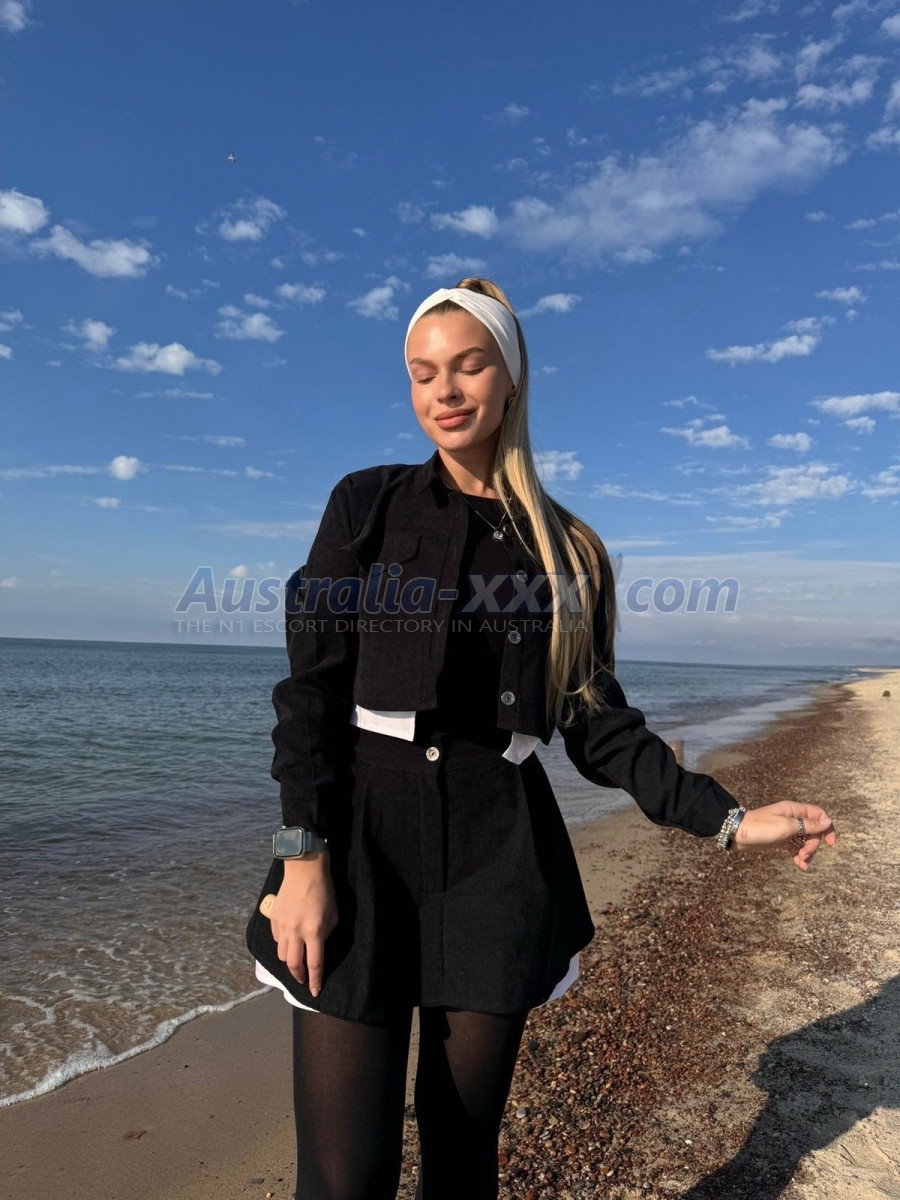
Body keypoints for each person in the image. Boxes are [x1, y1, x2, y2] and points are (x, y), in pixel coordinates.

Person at [245, 277, 837, 1200]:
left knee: (461, 1164)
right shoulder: (365, 504)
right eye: (422, 373)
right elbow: (310, 691)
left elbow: (599, 724)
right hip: (357, 849)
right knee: (342, 1177)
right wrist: (302, 857)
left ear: (511, 378)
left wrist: (729, 820)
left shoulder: (570, 551)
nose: (444, 391)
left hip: (498, 861)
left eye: (468, 366)